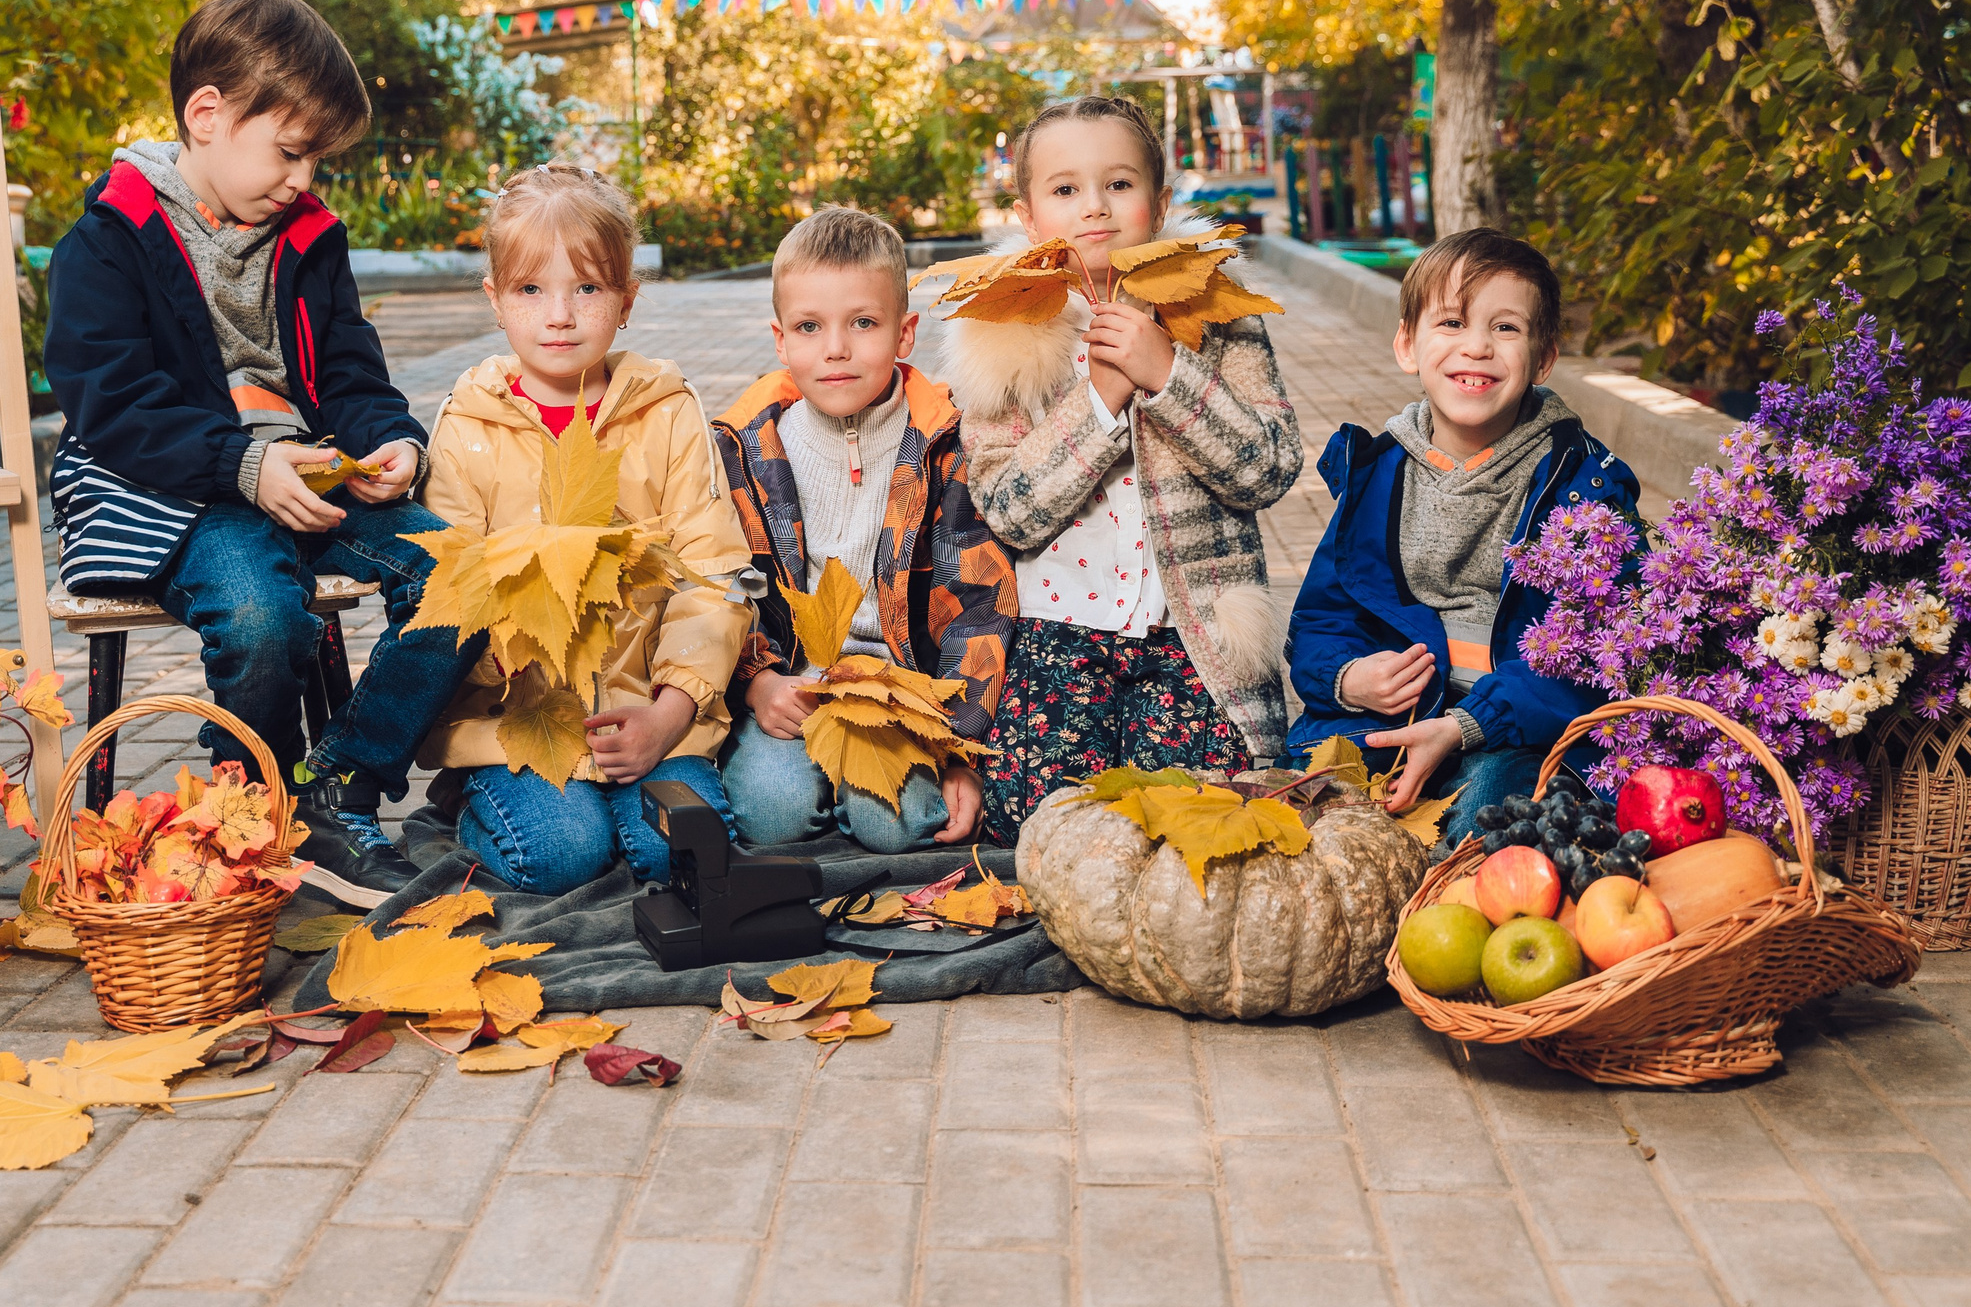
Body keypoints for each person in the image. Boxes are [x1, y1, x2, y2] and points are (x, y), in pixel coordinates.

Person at [44, 0, 478, 907]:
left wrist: (390, 438)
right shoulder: (110, 240)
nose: (303, 178)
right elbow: (110, 400)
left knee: (462, 576)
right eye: (290, 152)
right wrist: (243, 464)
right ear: (207, 115)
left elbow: (354, 372)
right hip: (182, 485)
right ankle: (253, 805)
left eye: (316, 158)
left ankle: (339, 785)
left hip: (313, 470)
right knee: (261, 617)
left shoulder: (310, 238)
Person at [344, 164, 754, 895]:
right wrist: (495, 661)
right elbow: (451, 587)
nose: (559, 315)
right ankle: (468, 805)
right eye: (532, 290)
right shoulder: (470, 424)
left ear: (627, 300)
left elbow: (712, 573)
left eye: (587, 289)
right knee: (562, 855)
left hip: (647, 708)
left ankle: (626, 789)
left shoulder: (665, 412)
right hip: (519, 722)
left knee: (678, 856)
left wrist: (668, 714)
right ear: (496, 301)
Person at [943, 95, 1304, 845]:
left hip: (1192, 636)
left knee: (1201, 820)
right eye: (1066, 189)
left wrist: (1170, 375)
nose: (1095, 207)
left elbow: (1269, 467)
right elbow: (1008, 510)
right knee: (1043, 824)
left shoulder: (1215, 311)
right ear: (1028, 214)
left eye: (1119, 184)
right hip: (1059, 639)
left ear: (1161, 201)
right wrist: (1103, 395)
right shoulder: (1001, 332)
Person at [1285, 228, 1644, 852]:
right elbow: (1321, 617)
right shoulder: (1377, 475)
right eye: (1451, 322)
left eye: (1506, 328)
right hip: (1386, 718)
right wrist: (1347, 678)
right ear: (1408, 345)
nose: (1476, 346)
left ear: (1544, 357)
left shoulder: (1584, 487)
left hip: (1512, 726)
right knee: (1301, 814)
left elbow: (1599, 651)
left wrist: (1468, 724)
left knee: (1489, 820)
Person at [712, 206, 1017, 851]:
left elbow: (977, 606)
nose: (835, 349)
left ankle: (859, 799)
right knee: (771, 817)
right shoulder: (746, 452)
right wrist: (757, 681)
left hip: (903, 697)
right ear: (780, 340)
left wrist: (958, 744)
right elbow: (724, 588)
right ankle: (816, 792)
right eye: (809, 327)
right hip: (796, 684)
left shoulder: (944, 447)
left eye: (863, 323)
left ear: (905, 334)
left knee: (896, 825)